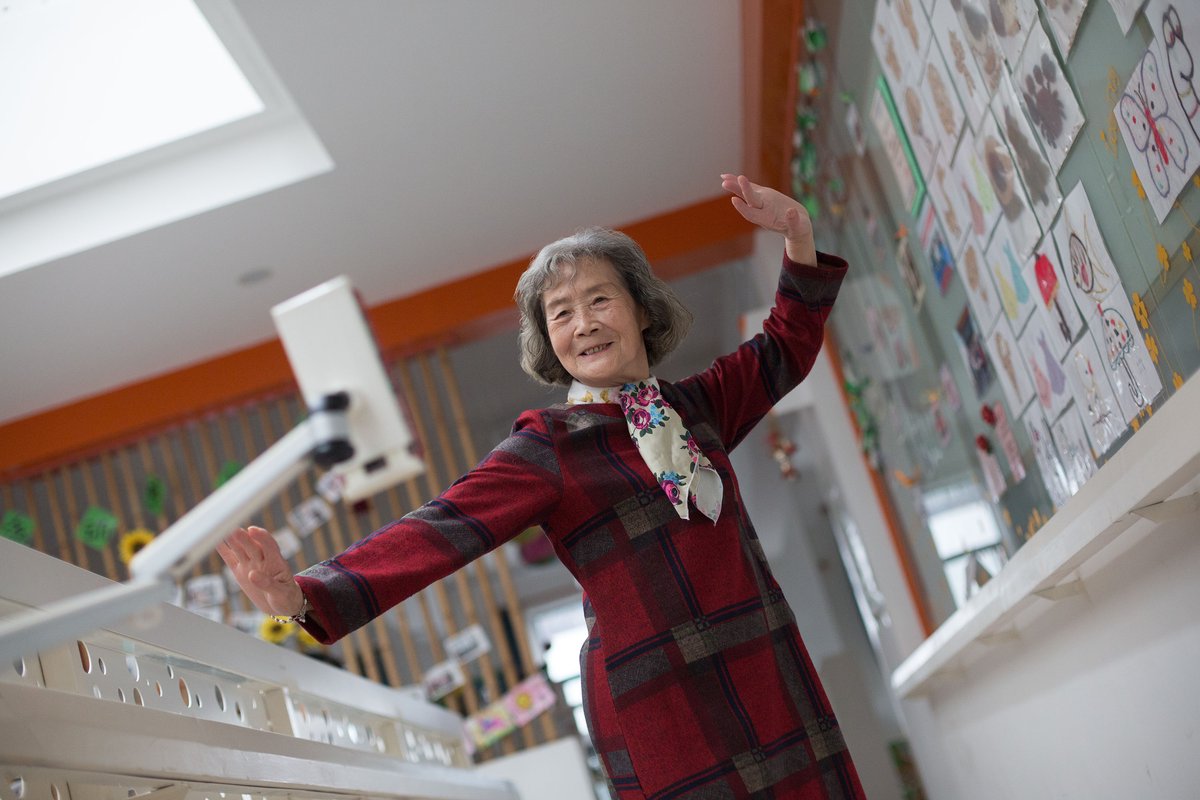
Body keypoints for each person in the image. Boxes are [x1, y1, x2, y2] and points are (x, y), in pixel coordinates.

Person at [219, 174, 865, 799]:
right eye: (562, 313)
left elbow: (786, 346)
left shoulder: (700, 407)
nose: (582, 322)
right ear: (551, 344)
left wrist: (796, 232)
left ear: (642, 310)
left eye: (600, 300)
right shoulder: (549, 446)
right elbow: (442, 526)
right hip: (659, 702)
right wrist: (304, 595)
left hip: (761, 659)